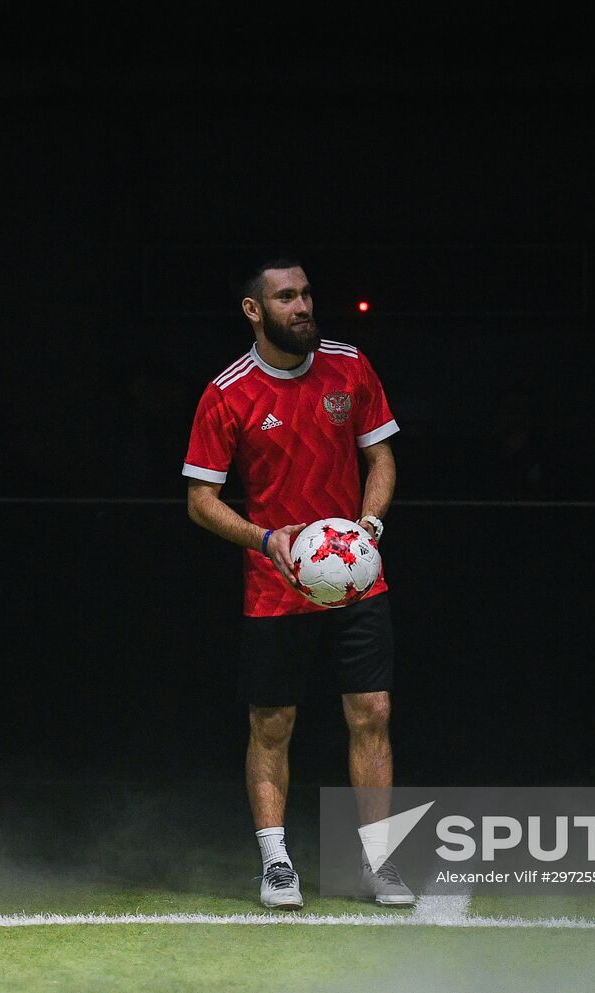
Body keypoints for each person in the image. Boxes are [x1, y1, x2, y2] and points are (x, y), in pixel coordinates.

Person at [183, 258, 412, 911]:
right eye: (286, 297)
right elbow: (201, 498)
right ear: (254, 310)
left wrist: (366, 527)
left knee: (373, 712)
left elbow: (382, 456)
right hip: (276, 581)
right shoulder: (228, 392)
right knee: (273, 721)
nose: (303, 305)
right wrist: (264, 540)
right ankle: (276, 863)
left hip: (357, 577)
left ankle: (375, 861)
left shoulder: (349, 366)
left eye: (307, 292)